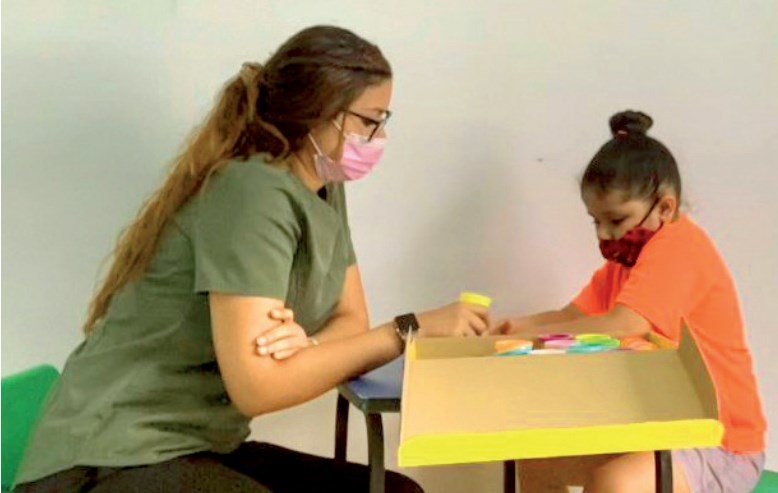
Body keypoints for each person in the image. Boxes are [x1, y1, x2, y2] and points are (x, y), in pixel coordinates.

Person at [15, 25, 489, 492]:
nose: (379, 136)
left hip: (197, 446)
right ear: (320, 113)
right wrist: (406, 330)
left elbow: (351, 319)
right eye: (370, 121)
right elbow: (258, 387)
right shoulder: (251, 193)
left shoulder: (324, 190)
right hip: (110, 454)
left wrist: (306, 345)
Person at [492, 111, 766, 492]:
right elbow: (572, 315)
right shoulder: (623, 266)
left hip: (720, 442)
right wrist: (513, 327)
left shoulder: (679, 246)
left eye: (616, 220)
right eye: (596, 221)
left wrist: (531, 339)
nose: (604, 234)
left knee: (616, 483)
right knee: (536, 453)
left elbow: (624, 324)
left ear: (665, 208)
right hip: (658, 427)